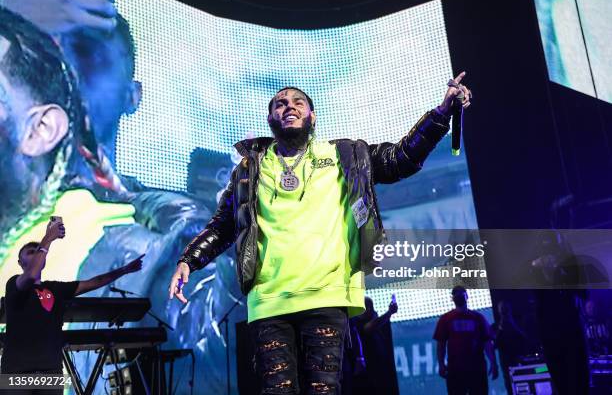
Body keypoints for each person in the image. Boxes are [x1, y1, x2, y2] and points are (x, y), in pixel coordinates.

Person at [169, 74, 472, 393]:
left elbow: (401, 159)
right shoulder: (249, 169)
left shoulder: (346, 156)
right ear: (270, 119)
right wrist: (189, 259)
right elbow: (223, 225)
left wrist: (441, 114)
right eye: (280, 104)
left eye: (298, 102)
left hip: (327, 296)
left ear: (312, 116)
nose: (289, 106)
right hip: (269, 302)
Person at [1, 217, 142, 387]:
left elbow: (94, 282)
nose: (37, 253)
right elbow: (30, 275)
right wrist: (48, 238)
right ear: (20, 262)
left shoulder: (55, 289)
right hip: (17, 371)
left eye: (38, 251)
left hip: (50, 371)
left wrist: (125, 270)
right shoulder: (13, 284)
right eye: (32, 252)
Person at [433, 286, 498, 395]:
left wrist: (494, 363)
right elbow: (441, 343)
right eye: (456, 294)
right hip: (456, 369)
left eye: (461, 294)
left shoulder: (478, 318)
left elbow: (487, 342)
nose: (459, 296)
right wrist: (441, 364)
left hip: (476, 368)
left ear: (467, 296)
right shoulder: (446, 319)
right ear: (452, 298)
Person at [351, 296, 400, 395]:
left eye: (371, 307)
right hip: (368, 376)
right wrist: (389, 313)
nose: (369, 310)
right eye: (365, 307)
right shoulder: (355, 323)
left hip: (382, 372)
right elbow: (368, 328)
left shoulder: (377, 322)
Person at [491, 300, 527, 395]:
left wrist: (512, 325)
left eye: (505, 309)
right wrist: (500, 328)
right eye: (502, 309)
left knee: (523, 381)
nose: (504, 311)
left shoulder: (519, 322)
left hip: (520, 359)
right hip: (506, 362)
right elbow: (494, 345)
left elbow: (525, 337)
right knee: (509, 383)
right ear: (499, 311)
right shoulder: (495, 326)